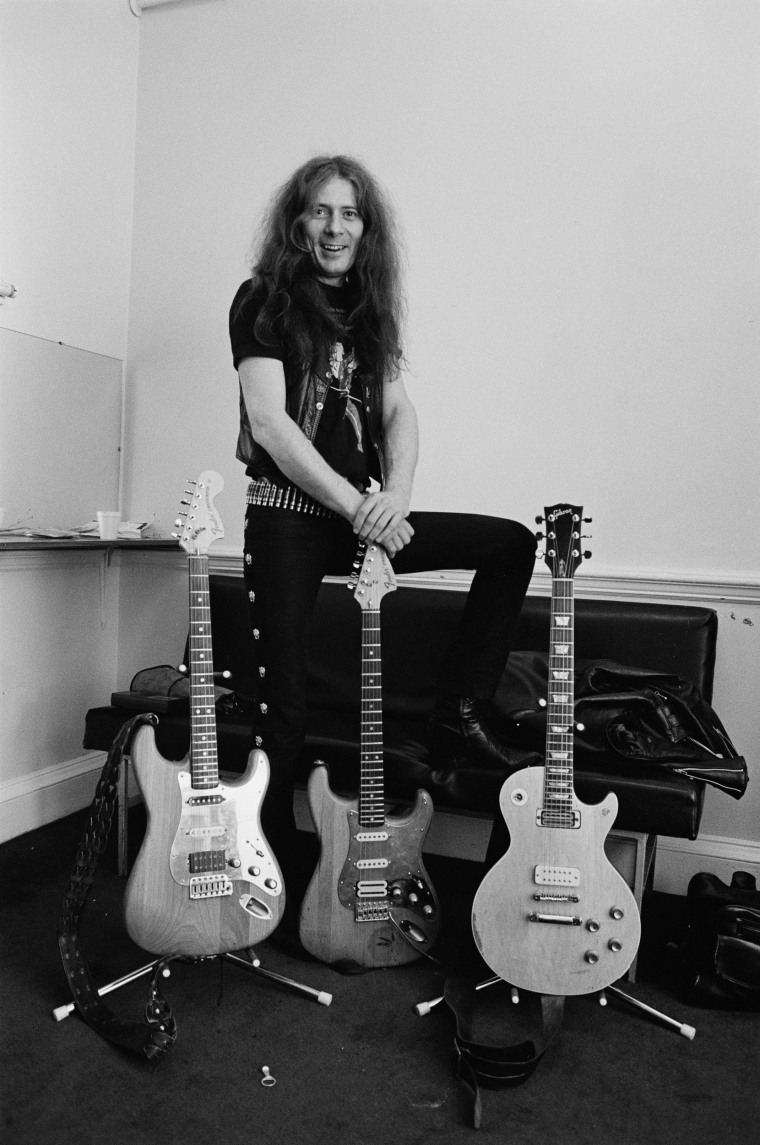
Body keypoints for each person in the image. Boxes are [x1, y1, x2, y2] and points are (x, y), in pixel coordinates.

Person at [229, 154, 537, 888]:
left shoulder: (371, 311)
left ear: (367, 228)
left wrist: (393, 497)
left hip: (361, 509)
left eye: (350, 213)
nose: (335, 226)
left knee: (510, 544)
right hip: (287, 517)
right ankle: (271, 873)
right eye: (320, 211)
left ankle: (457, 711)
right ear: (297, 221)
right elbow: (270, 424)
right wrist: (358, 505)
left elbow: (397, 410)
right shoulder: (261, 299)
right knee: (285, 716)